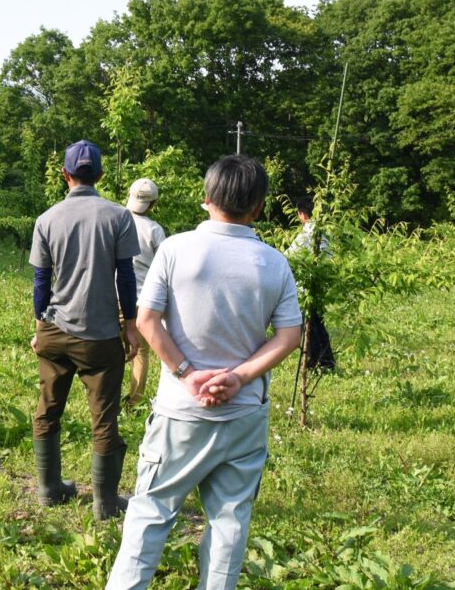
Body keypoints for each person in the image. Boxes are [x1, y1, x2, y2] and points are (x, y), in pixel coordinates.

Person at [107, 155, 303, 590]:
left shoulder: (175, 249)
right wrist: (240, 377)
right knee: (230, 522)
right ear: (258, 208)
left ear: (206, 198)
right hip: (244, 413)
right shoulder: (274, 263)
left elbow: (147, 321)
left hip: (181, 411)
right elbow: (290, 335)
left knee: (151, 513)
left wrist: (186, 372)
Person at [29, 139, 140, 520]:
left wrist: (40, 324)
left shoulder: (46, 219)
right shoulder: (119, 217)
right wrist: (131, 326)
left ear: (65, 174)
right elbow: (126, 277)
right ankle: (104, 504)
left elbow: (41, 281)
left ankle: (48, 490)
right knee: (104, 418)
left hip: (55, 331)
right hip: (100, 336)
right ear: (101, 175)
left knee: (48, 408)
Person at [124, 178, 166, 407]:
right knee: (140, 352)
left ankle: (107, 398)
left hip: (113, 296)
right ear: (153, 204)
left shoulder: (116, 220)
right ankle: (134, 401)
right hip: (143, 300)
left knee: (111, 349)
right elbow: (164, 268)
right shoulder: (155, 230)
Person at [285, 196, 335, 371]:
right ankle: (327, 361)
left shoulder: (305, 234)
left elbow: (289, 256)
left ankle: (313, 362)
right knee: (318, 323)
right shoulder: (325, 232)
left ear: (301, 214)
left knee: (310, 326)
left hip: (306, 287)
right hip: (321, 284)